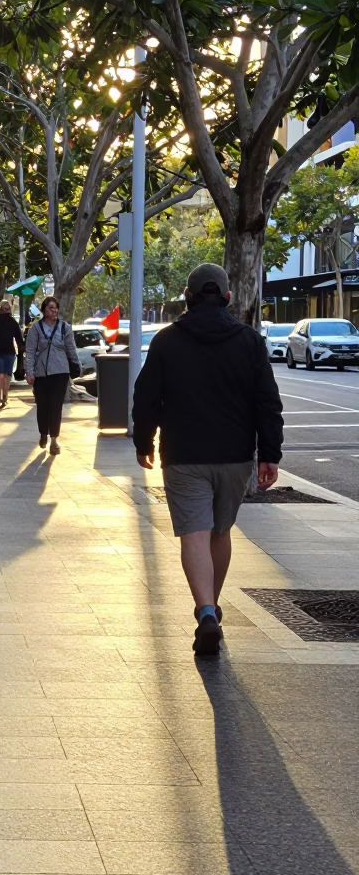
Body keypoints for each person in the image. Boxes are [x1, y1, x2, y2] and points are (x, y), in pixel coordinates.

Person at [132, 263, 283, 658]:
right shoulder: (250, 341)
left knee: (193, 534)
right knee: (220, 531)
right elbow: (267, 401)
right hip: (235, 456)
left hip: (183, 455)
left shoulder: (167, 341)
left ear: (188, 298)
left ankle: (205, 613)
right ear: (229, 298)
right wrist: (269, 454)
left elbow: (146, 396)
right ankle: (211, 610)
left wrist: (143, 441)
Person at [24, 296, 79, 452]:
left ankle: (54, 439)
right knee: (43, 406)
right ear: (44, 310)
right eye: (51, 308)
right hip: (41, 374)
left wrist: (76, 365)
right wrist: (30, 372)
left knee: (56, 406)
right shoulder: (36, 328)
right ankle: (43, 433)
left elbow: (71, 348)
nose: (54, 311)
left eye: (56, 308)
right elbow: (30, 351)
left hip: (60, 372)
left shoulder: (64, 328)